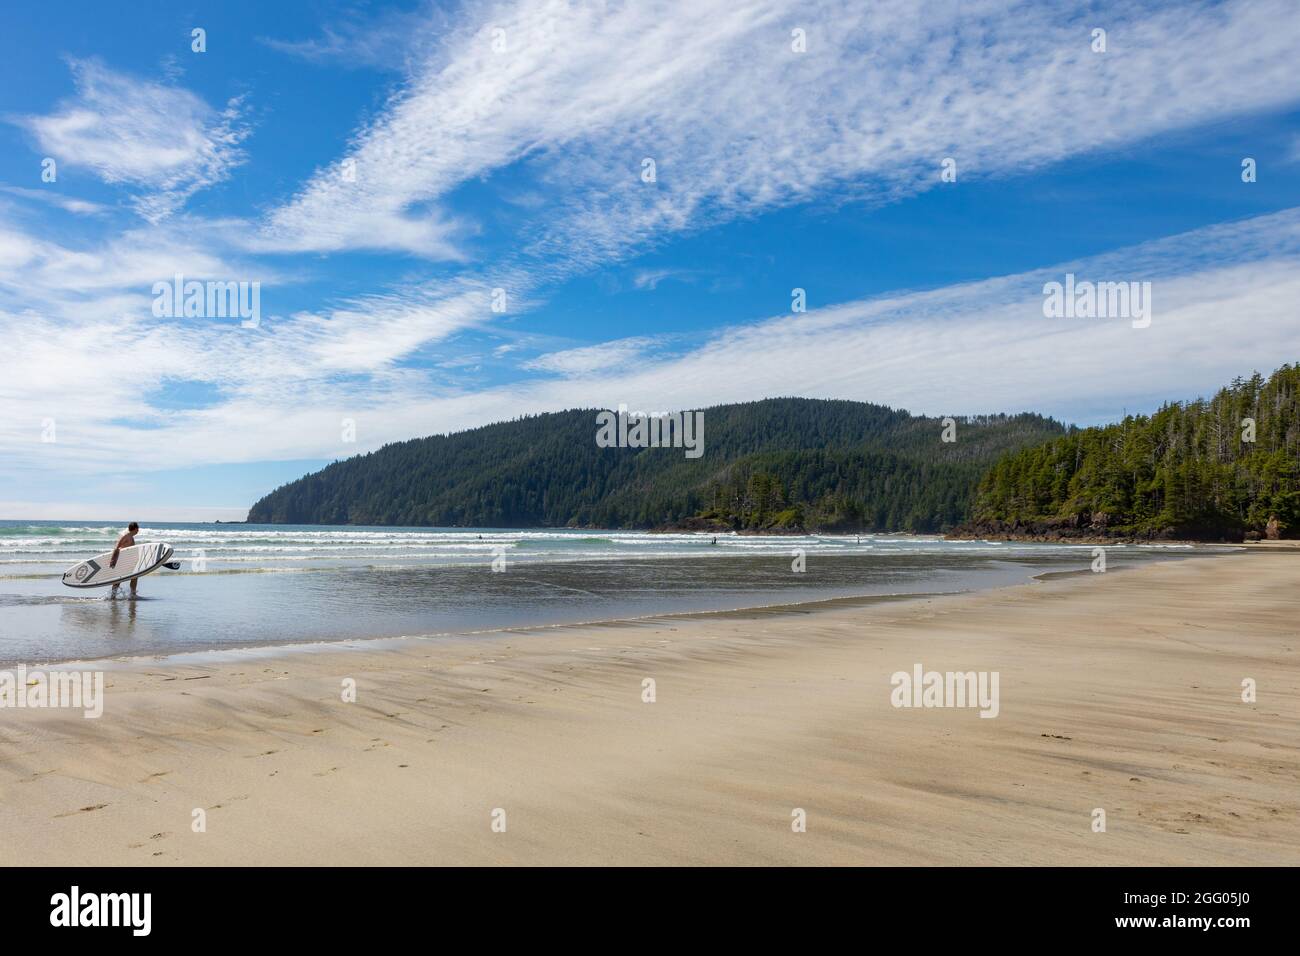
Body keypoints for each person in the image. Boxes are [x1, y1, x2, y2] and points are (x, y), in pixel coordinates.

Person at [109, 522, 141, 599]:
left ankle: (132, 594)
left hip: (128, 561)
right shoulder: (126, 536)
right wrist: (113, 559)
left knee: (134, 577)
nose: (138, 530)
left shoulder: (130, 536)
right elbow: (116, 547)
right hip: (122, 561)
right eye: (138, 529)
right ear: (136, 529)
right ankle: (113, 596)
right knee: (119, 579)